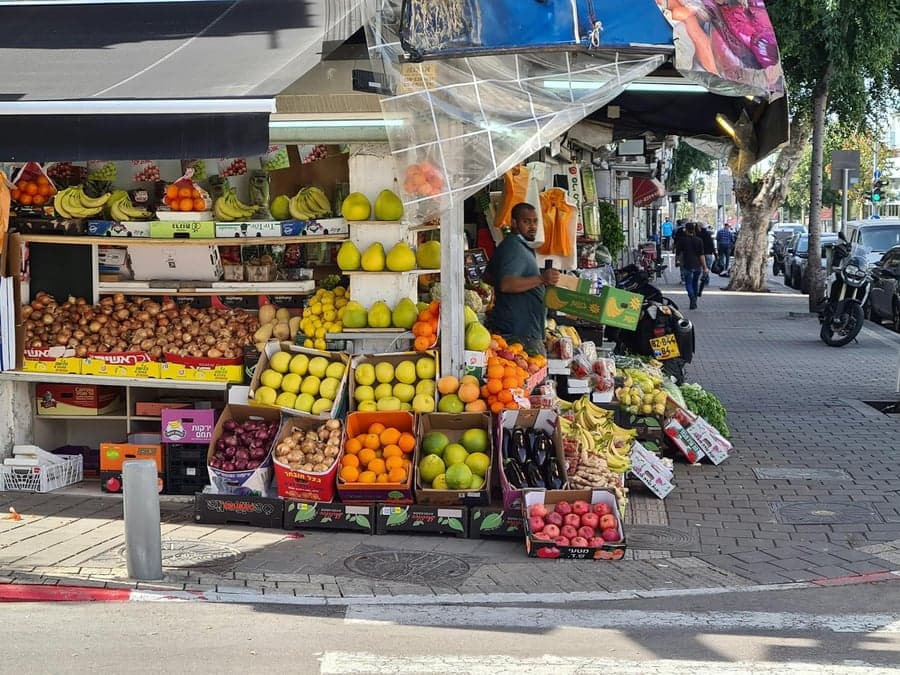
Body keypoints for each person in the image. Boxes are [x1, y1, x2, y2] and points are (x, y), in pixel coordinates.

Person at [483, 202, 559, 356]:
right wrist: (541, 279)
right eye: (526, 221)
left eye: (535, 221)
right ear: (514, 223)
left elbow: (488, 277)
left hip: (522, 331)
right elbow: (506, 284)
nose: (532, 226)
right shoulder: (513, 247)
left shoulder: (517, 245)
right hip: (520, 335)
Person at [679, 223, 708, 310]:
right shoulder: (699, 240)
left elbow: (678, 252)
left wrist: (676, 261)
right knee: (695, 282)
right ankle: (694, 300)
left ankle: (691, 297)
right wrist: (705, 267)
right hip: (697, 265)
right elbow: (701, 255)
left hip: (686, 264)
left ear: (686, 230)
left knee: (688, 282)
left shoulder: (682, 240)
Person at [697, 223, 716, 296]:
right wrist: (715, 253)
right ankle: (705, 279)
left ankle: (702, 278)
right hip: (708, 253)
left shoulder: (698, 234)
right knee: (707, 267)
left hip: (700, 254)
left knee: (701, 267)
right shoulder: (708, 234)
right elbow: (712, 244)